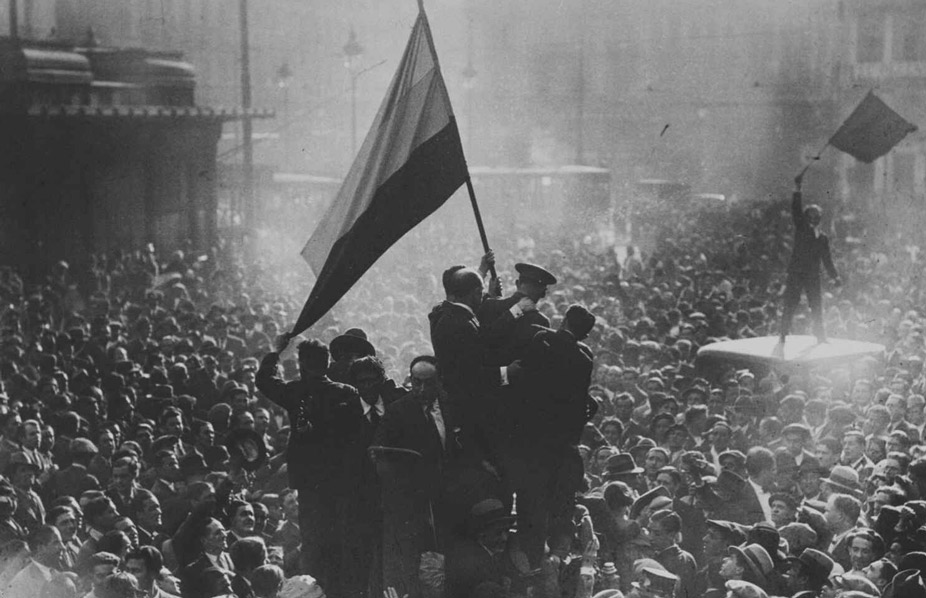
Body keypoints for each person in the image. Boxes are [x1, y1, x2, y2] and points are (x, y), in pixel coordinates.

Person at [256, 334, 364, 592]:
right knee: (341, 542)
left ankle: (314, 592)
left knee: (314, 545)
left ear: (302, 365)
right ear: (327, 363)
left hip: (308, 484)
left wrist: (275, 352)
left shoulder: (295, 392)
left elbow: (265, 380)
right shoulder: (347, 393)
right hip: (342, 483)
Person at [503, 304, 597, 568]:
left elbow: (524, 377)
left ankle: (531, 567)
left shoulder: (543, 340)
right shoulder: (585, 358)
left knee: (530, 510)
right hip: (563, 449)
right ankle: (554, 564)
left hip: (532, 445)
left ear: (564, 320)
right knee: (559, 513)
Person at [372, 355, 456, 598]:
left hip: (448, 497)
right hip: (412, 502)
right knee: (413, 559)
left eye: (428, 383)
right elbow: (380, 452)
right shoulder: (398, 411)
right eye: (416, 382)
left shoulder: (451, 406)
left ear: (438, 381)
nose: (421, 389)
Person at [779, 173, 841, 343]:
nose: (813, 219)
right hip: (797, 273)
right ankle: (783, 333)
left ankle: (820, 336)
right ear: (805, 218)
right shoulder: (801, 229)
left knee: (817, 305)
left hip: (813, 275)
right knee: (791, 303)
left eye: (816, 216)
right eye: (810, 216)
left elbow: (827, 260)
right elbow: (795, 209)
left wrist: (835, 277)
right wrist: (797, 189)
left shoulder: (823, 238)